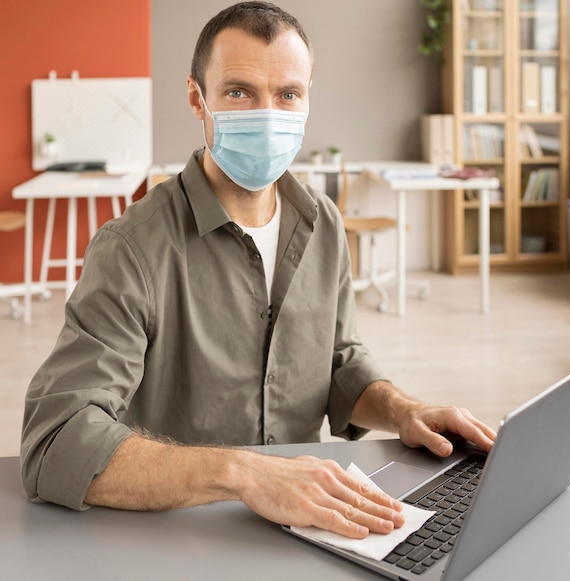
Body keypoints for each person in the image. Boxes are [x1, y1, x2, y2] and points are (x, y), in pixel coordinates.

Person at [20, 1, 496, 540]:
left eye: (288, 94)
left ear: (307, 98)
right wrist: (243, 473)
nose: (268, 114)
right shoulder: (132, 249)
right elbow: (54, 443)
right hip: (180, 537)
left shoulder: (323, 223)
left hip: (310, 528)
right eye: (240, 92)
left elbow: (337, 360)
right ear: (198, 99)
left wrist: (405, 410)